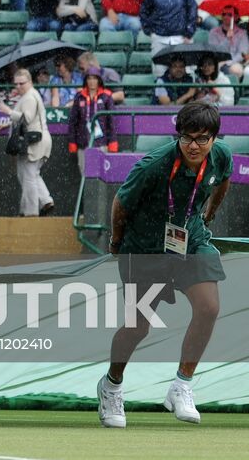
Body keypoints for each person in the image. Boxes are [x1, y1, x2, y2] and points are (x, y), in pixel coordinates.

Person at [98, 101, 232, 429]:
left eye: (203, 139)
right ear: (178, 136)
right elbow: (120, 205)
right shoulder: (154, 165)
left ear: (214, 138)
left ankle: (181, 386)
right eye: (187, 138)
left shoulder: (222, 155)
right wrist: (117, 244)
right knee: (138, 327)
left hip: (191, 241)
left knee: (208, 307)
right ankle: (111, 386)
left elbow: (223, 179)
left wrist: (210, 211)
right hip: (144, 248)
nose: (194, 146)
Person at [0, 69, 54, 216]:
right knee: (30, 174)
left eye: (22, 83)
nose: (18, 86)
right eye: (16, 84)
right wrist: (9, 122)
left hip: (35, 141)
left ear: (29, 82)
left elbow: (27, 118)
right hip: (38, 139)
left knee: (28, 176)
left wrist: (8, 111)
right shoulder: (29, 95)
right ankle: (46, 201)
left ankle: (30, 213)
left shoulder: (29, 96)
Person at [68, 68, 119, 154]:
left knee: (100, 167)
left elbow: (111, 122)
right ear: (86, 80)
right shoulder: (79, 96)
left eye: (95, 78)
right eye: (89, 78)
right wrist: (72, 141)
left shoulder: (106, 96)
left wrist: (112, 142)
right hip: (82, 142)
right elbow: (73, 121)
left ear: (99, 80)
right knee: (84, 167)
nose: (92, 81)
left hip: (102, 142)